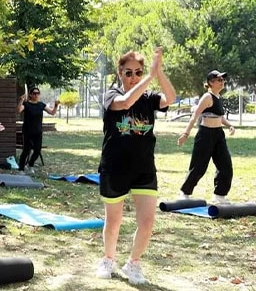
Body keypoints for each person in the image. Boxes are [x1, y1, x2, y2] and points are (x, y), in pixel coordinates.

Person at [95, 48, 176, 285]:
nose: (133, 77)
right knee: (114, 221)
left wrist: (158, 72)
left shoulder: (149, 98)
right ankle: (108, 259)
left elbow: (170, 98)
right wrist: (149, 77)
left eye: (138, 72)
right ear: (120, 72)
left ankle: (133, 263)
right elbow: (126, 102)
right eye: (128, 72)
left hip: (143, 169)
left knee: (147, 221)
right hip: (114, 168)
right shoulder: (111, 95)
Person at [177, 70, 235, 204]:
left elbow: (219, 117)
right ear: (210, 83)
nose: (222, 82)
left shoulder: (218, 97)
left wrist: (229, 125)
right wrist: (186, 134)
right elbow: (195, 116)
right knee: (199, 167)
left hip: (218, 135)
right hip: (205, 135)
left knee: (226, 166)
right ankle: (185, 192)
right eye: (219, 80)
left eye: (222, 80)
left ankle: (219, 195)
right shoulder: (207, 97)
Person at [16, 87, 59, 174]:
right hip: (27, 131)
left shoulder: (41, 105)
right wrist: (21, 100)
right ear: (31, 95)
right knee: (26, 150)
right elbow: (18, 110)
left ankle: (30, 165)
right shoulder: (26, 104)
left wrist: (56, 105)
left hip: (38, 132)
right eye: (34, 93)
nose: (36, 95)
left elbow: (52, 113)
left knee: (37, 150)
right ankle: (21, 169)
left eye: (38, 93)